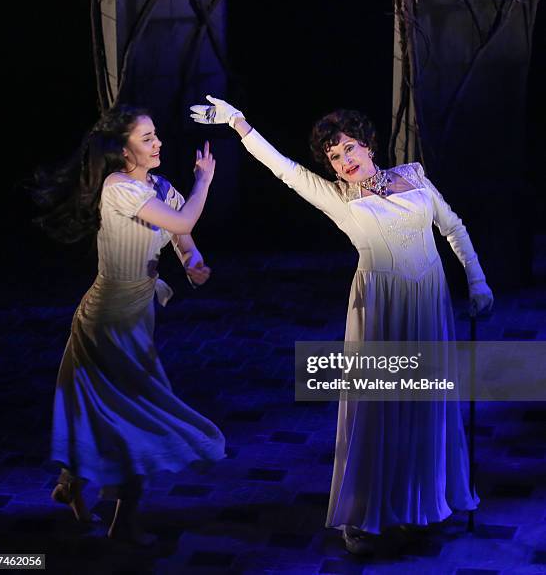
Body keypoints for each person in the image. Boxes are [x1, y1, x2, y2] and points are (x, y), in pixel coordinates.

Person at [190, 95, 493, 554]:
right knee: (377, 410)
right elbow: (284, 169)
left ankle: (418, 506)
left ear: (369, 145)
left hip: (429, 306)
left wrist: (477, 281)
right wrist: (239, 124)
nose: (344, 160)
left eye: (349, 147)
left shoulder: (413, 176)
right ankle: (365, 515)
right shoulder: (338, 199)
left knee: (424, 407)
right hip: (382, 309)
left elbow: (453, 228)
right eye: (334, 156)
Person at [34, 104, 225, 546]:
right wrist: (204, 181)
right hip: (108, 320)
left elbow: (182, 236)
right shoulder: (119, 189)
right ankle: (122, 525)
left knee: (111, 413)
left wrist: (194, 263)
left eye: (156, 135)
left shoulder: (158, 186)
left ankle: (72, 484)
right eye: (146, 138)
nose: (158, 143)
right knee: (136, 417)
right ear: (123, 150)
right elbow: (185, 218)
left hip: (139, 316)